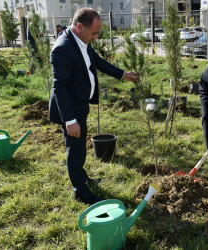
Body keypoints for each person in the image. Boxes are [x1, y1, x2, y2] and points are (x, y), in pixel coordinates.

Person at [49, 8, 139, 205]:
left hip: (80, 104)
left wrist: (123, 74)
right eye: (95, 33)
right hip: (71, 109)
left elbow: (97, 61)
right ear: (80, 27)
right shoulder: (63, 48)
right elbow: (60, 87)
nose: (96, 37)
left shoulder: (81, 40)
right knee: (76, 149)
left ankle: (81, 179)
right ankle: (80, 191)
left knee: (79, 147)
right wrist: (70, 120)